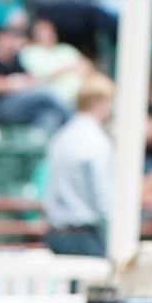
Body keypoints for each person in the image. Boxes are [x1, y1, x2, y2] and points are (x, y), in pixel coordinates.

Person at [41, 75, 115, 256]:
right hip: (83, 235)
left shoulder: (60, 136)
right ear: (99, 102)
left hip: (55, 232)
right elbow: (103, 193)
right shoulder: (97, 141)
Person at [0, 25, 68, 135]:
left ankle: (37, 143)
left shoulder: (15, 62)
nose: (9, 43)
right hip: (0, 107)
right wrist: (15, 83)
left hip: (22, 104)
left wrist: (22, 82)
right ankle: (75, 121)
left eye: (11, 38)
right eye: (5, 38)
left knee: (50, 114)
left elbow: (31, 79)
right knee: (47, 92)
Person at [19, 17, 90, 111]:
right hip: (54, 99)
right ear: (33, 35)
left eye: (49, 31)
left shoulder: (66, 49)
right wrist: (69, 68)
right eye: (41, 32)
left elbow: (87, 66)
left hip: (83, 93)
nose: (47, 35)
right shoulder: (30, 52)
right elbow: (40, 76)